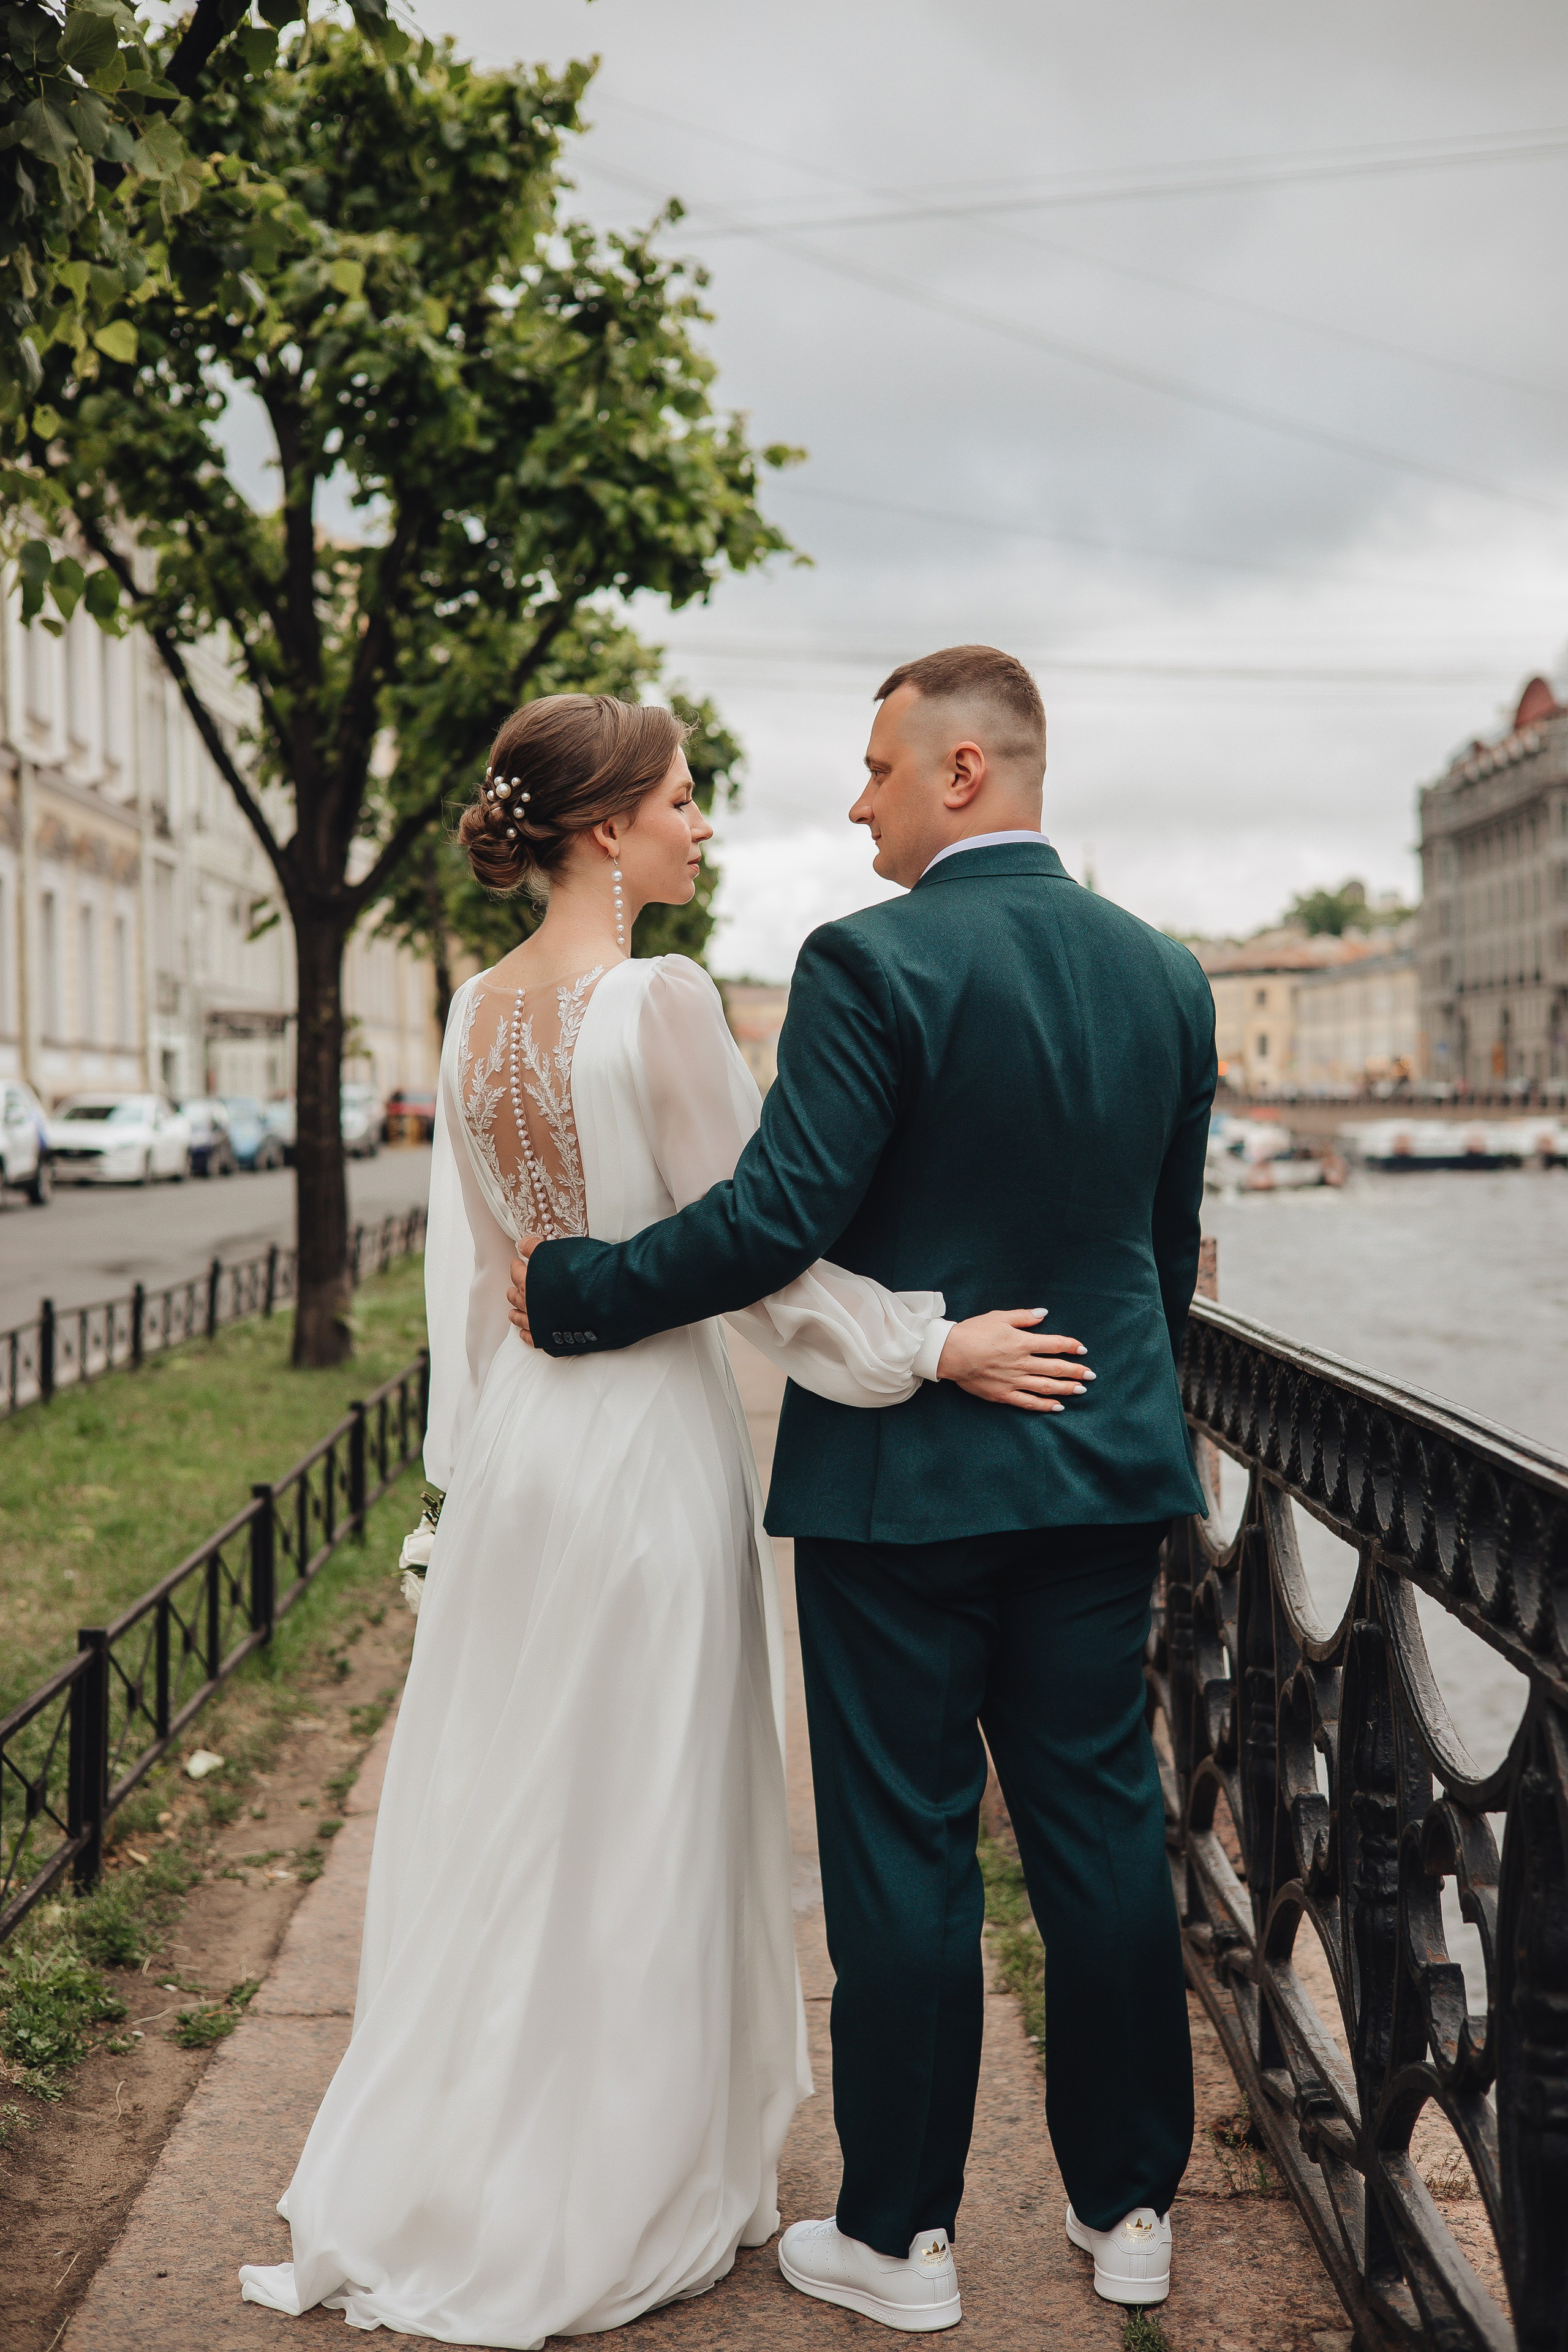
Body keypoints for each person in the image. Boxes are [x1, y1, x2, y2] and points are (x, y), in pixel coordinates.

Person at [238, 692, 1072, 2346]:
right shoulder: (666, 1003)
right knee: (646, 1808)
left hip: (531, 1460)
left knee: (523, 1804)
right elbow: (758, 1254)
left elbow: (482, 1293)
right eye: (685, 800)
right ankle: (616, 2179)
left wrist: (462, 1488)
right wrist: (925, 1342)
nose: (705, 825)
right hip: (646, 1454)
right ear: (608, 827)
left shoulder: (470, 1014)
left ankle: (478, 2159)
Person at [509, 646, 1217, 2327]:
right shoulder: (1167, 973)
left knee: (906, 1857)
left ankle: (900, 2240)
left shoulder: (870, 962)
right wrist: (1113, 1396)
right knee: (1105, 1834)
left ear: (963, 773)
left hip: (901, 1489)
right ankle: (1131, 2214)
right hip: (1102, 1460)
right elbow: (1166, 1247)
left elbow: (775, 1223)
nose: (856, 798)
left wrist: (576, 1290)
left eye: (880, 766)